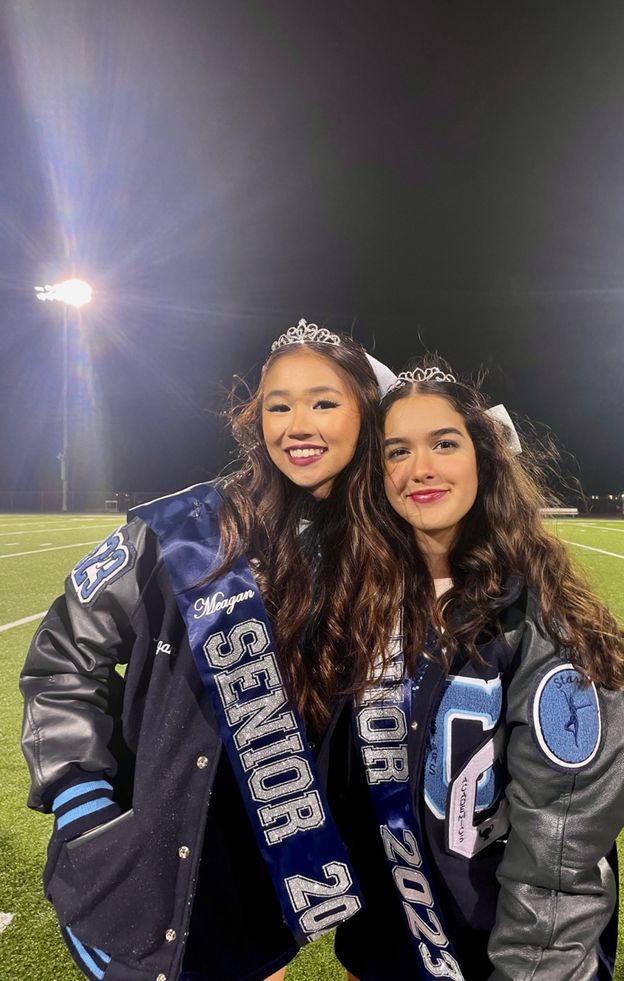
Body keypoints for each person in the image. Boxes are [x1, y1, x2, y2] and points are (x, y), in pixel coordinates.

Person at [19, 320, 400, 981]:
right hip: (155, 866)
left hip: (268, 885)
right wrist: (81, 798)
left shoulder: (383, 555)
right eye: (279, 404)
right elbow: (63, 655)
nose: (298, 424)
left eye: (325, 401)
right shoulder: (182, 529)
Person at [333, 363, 624, 981]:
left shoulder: (542, 616)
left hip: (493, 949)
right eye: (398, 450)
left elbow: (559, 855)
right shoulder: (359, 599)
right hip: (386, 943)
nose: (420, 468)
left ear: (484, 458)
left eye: (444, 443)